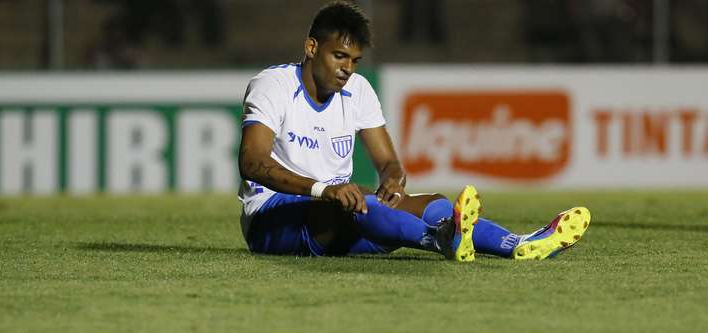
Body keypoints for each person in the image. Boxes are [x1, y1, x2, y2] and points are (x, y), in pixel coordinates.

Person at [237, 0, 590, 261]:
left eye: (354, 60)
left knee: (427, 202)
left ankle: (516, 244)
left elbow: (388, 161)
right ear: (312, 47)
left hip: (342, 216)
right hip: (273, 218)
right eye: (339, 56)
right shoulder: (274, 85)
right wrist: (323, 190)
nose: (347, 69)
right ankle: (443, 239)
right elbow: (252, 163)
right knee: (359, 205)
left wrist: (393, 180)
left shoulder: (357, 90)